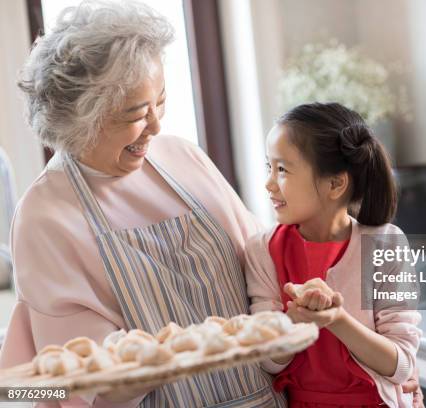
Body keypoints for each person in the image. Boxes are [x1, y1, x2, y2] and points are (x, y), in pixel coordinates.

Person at [0, 1, 286, 406]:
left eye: (161, 101)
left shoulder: (184, 159)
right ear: (84, 118)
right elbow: (79, 381)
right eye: (136, 113)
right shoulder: (44, 216)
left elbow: (264, 265)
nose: (156, 125)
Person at [244, 102, 422, 407]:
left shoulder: (385, 244)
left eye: (282, 169)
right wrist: (296, 322)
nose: (269, 183)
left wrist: (336, 319)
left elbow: (401, 364)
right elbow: (269, 361)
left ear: (336, 183)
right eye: (268, 167)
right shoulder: (262, 250)